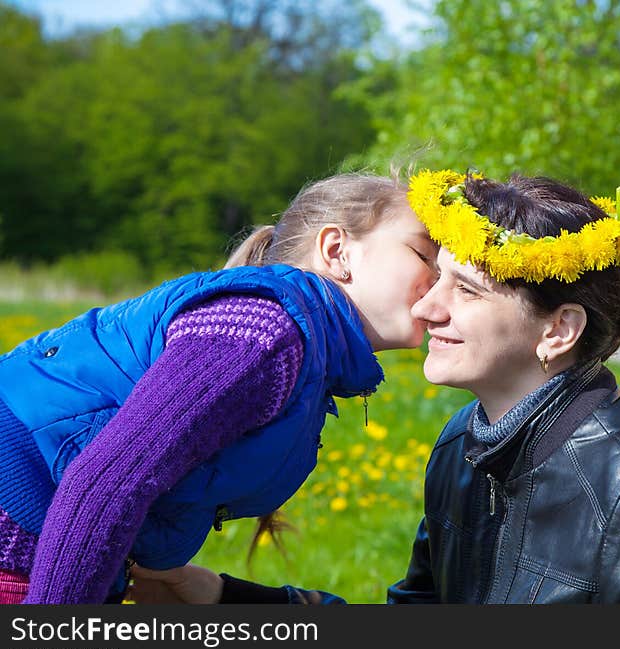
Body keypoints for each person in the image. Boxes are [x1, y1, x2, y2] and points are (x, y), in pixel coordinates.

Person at [129, 169, 620, 604]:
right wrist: (215, 597)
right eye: (437, 277)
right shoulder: (464, 447)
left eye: (467, 290)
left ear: (559, 329)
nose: (427, 308)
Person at [0, 171, 439, 604]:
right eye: (424, 255)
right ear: (337, 250)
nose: (441, 281)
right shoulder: (263, 331)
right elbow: (103, 485)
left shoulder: (303, 351)